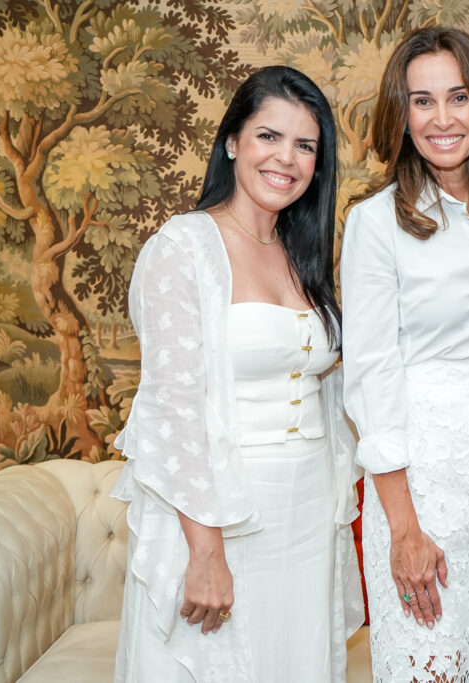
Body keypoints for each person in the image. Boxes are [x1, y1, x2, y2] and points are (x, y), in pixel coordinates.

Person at [111, 65, 363, 683]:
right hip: (223, 515)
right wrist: (205, 552)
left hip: (306, 519)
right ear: (232, 142)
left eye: (306, 145)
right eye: (268, 137)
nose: (287, 158)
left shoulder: (304, 254)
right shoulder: (182, 248)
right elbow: (174, 413)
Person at [340, 26, 469, 682]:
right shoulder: (375, 222)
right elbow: (369, 375)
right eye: (421, 101)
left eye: (458, 97)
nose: (442, 117)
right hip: (423, 483)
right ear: (401, 116)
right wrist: (402, 527)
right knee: (430, 662)